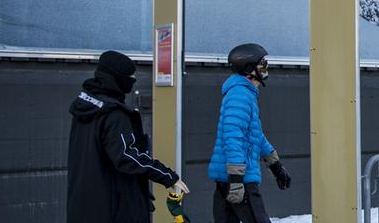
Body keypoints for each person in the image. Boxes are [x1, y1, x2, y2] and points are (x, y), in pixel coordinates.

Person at [67, 50, 189, 223]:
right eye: (130, 75)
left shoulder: (84, 106)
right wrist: (168, 176)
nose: (133, 80)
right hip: (114, 209)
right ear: (117, 77)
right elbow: (128, 157)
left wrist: (137, 190)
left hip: (83, 205)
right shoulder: (114, 114)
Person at [209, 43, 292, 223]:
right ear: (248, 68)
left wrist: (275, 166)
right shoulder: (240, 95)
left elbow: (255, 136)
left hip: (231, 179)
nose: (266, 67)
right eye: (262, 63)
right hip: (239, 181)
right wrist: (236, 179)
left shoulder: (246, 93)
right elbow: (233, 138)